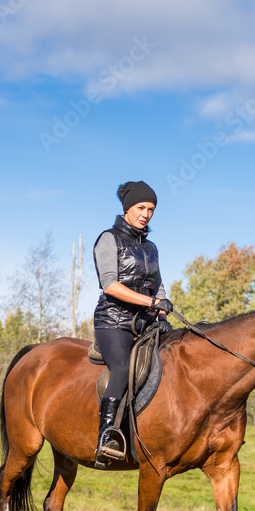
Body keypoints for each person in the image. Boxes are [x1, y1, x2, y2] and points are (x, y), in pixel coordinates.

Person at [92, 181, 173, 466]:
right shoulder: (108, 239)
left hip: (146, 324)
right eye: (141, 207)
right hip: (113, 323)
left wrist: (162, 314)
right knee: (124, 367)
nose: (146, 214)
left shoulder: (151, 248)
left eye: (151, 209)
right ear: (127, 208)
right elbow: (110, 285)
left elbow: (158, 286)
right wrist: (151, 303)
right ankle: (107, 435)